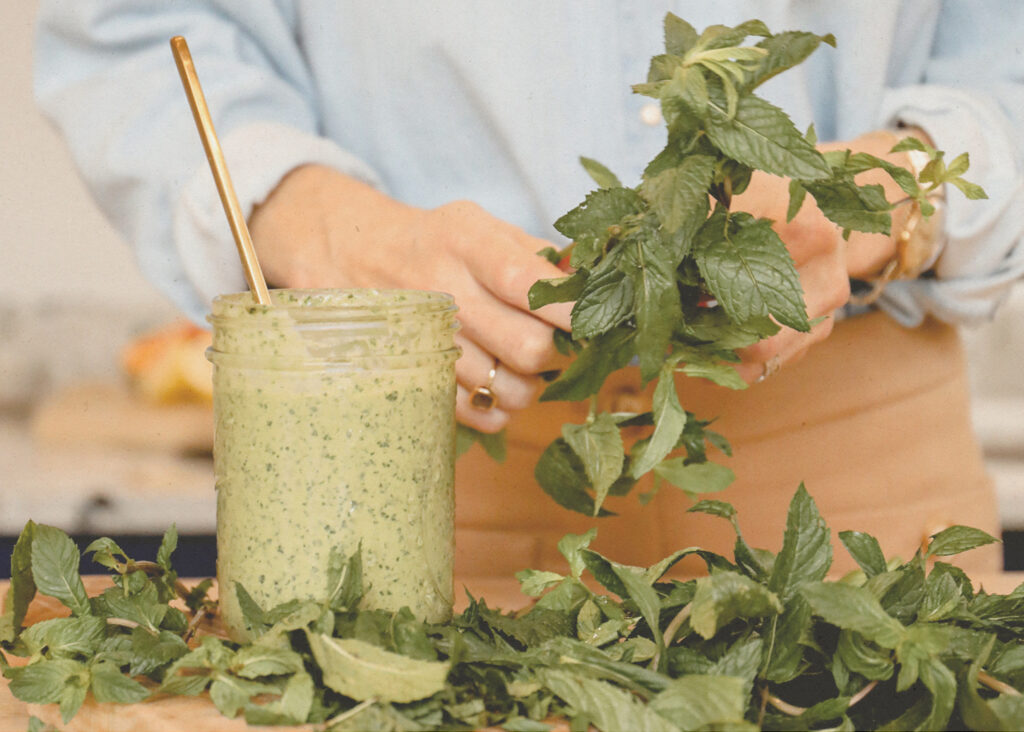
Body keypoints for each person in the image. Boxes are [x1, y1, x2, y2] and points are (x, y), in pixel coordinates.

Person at [35, 2, 1024, 593]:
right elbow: (132, 31)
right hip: (412, 477)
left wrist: (894, 191)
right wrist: (314, 218)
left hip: (860, 492)